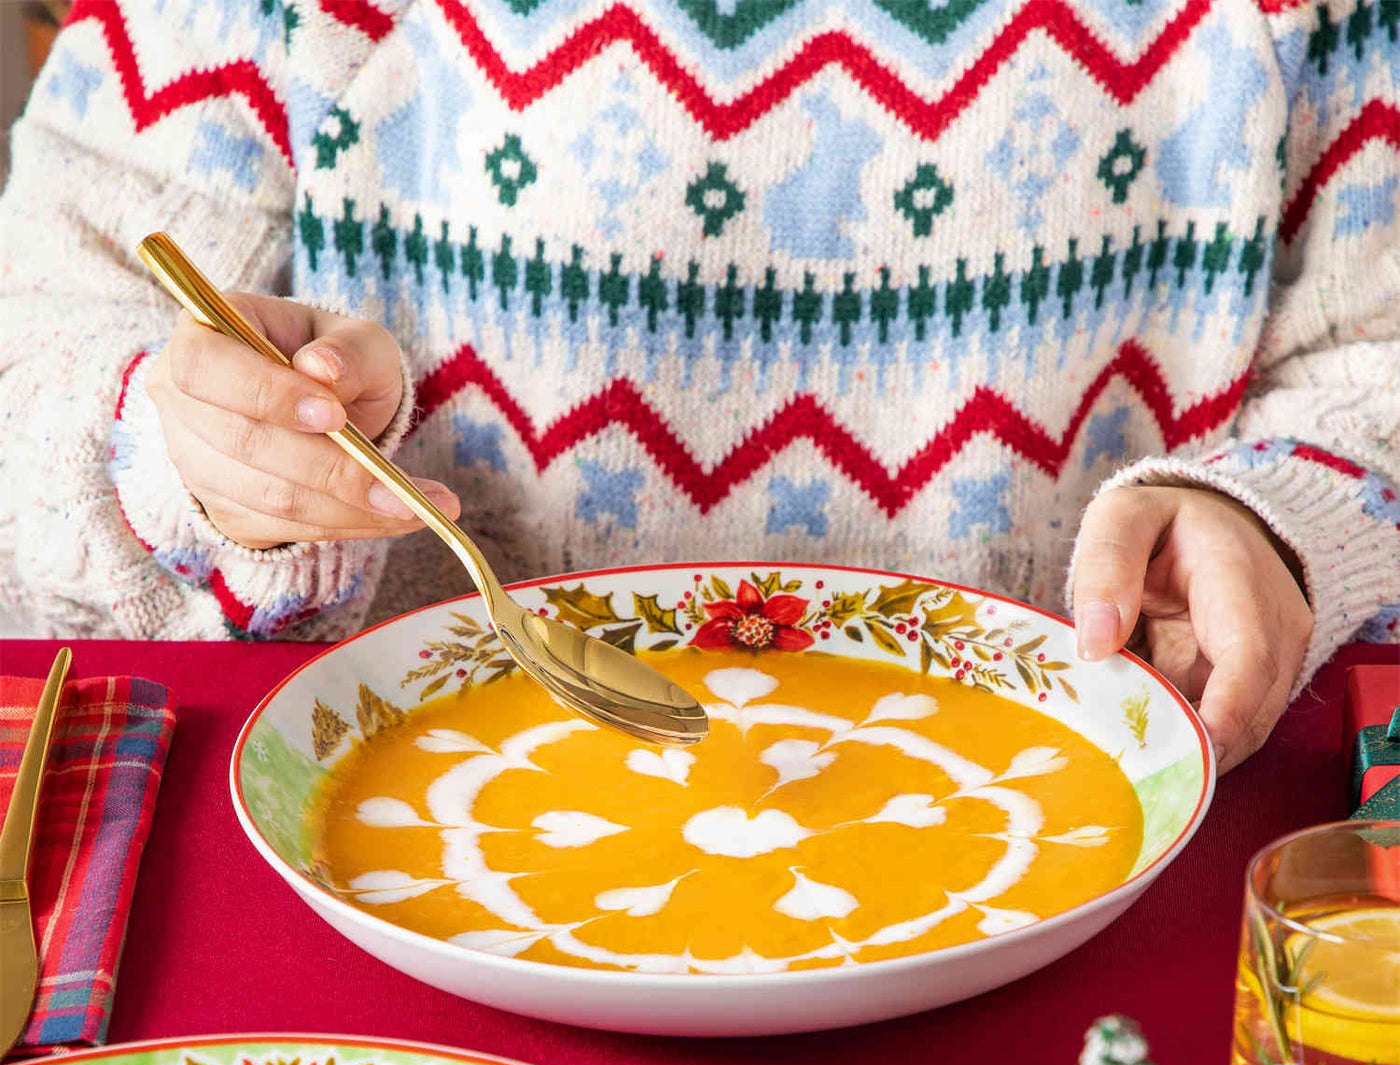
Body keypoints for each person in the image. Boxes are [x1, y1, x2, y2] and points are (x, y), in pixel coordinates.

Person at [0, 0, 1395, 775]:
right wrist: (192, 451)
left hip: (1113, 851)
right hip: (397, 865)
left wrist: (1273, 516)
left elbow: (1375, 350)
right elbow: (42, 347)